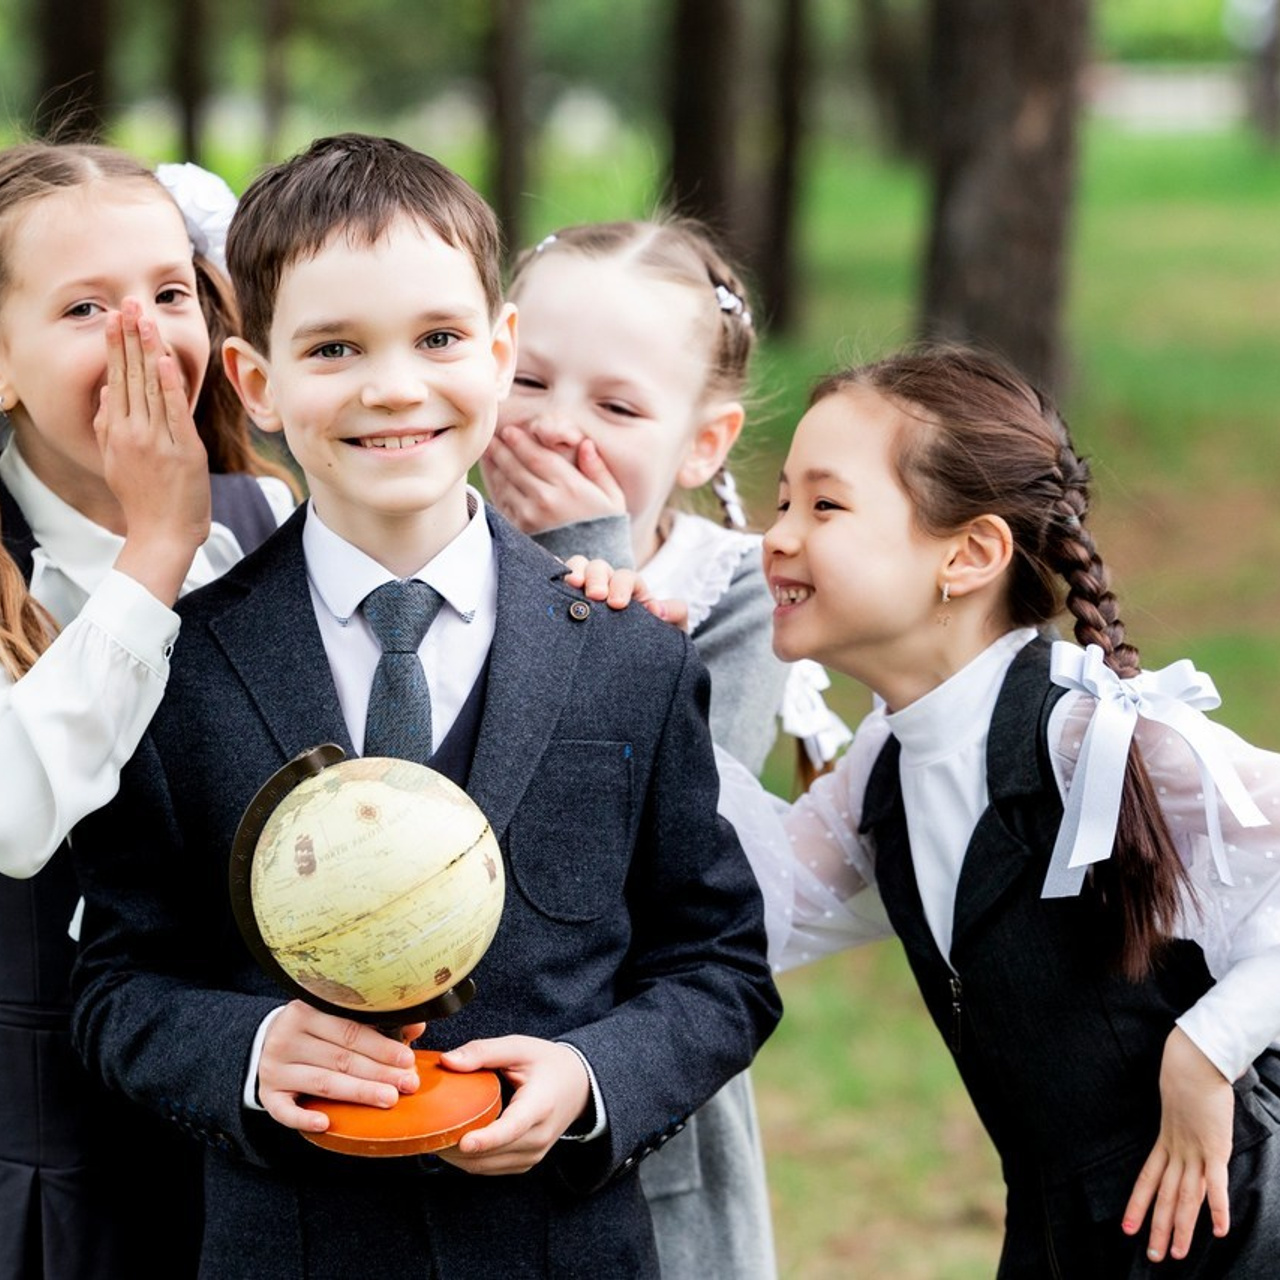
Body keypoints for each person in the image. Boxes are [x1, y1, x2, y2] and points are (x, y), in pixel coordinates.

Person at [68, 133, 781, 1280]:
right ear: (255, 383)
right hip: (287, 1247)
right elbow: (116, 983)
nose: (393, 385)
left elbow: (717, 964)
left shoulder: (625, 655)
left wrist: (592, 1078)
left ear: (499, 354)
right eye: (334, 347)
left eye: (439, 339)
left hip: (561, 1246)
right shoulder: (180, 664)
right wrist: (246, 1050)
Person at [749, 344, 1280, 1276]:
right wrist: (642, 681)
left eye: (825, 505)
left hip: (1234, 1234)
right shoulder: (886, 765)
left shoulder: (1093, 738)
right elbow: (749, 904)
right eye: (784, 500)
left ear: (971, 554)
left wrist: (1204, 1053)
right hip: (1059, 1240)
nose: (780, 534)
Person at [478, 217, 848, 1280]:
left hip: (638, 1120)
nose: (553, 428)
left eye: (614, 405)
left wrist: (584, 559)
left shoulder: (735, 591)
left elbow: (657, 838)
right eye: (530, 378)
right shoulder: (433, 546)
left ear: (703, 442)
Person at [0, 141, 299, 1278]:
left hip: (258, 1139)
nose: (141, 334)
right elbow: (16, 814)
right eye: (85, 306)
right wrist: (154, 547)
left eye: (168, 293)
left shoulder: (267, 519)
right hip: (54, 1183)